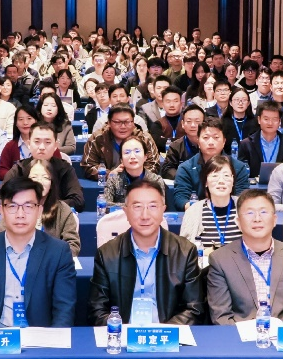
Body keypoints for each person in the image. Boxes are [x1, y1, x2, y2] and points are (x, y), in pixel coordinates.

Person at [0, 178, 77, 328]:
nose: (20, 214)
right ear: (1, 210)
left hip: (39, 338)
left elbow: (64, 309)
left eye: (28, 206)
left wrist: (52, 341)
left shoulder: (58, 252)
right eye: (12, 206)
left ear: (39, 210)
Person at [88, 179, 202, 325]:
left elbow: (194, 308)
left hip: (168, 334)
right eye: (137, 207)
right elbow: (97, 310)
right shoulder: (107, 255)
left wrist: (162, 333)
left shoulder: (185, 252)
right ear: (126, 212)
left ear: (163, 210)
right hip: (124, 334)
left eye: (153, 206)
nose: (145, 215)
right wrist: (125, 332)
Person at [206, 190, 283, 325]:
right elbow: (221, 318)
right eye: (249, 213)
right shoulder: (220, 259)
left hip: (282, 333)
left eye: (264, 212)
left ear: (274, 220)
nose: (257, 219)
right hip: (239, 335)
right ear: (238, 222)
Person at [0, 158, 82, 256]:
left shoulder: (63, 210)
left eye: (45, 177)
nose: (40, 181)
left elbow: (73, 245)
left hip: (52, 263)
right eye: (34, 177)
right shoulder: (14, 207)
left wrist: (51, 259)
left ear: (51, 183)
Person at [172, 116, 251, 211]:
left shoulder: (238, 167)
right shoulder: (185, 168)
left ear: (224, 141)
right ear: (198, 141)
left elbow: (242, 198)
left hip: (231, 214)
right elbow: (180, 199)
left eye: (216, 137)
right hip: (197, 214)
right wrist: (205, 210)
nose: (210, 142)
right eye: (206, 137)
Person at [5, 123, 86, 210]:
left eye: (47, 142)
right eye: (37, 142)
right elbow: (1, 197)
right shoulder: (19, 169)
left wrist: (47, 208)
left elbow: (78, 201)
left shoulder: (65, 169)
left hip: (56, 216)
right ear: (29, 144)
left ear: (55, 146)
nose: (42, 147)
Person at [80, 104, 160, 180]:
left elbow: (154, 165)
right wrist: (109, 174)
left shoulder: (145, 138)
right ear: (109, 122)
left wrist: (134, 175)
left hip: (138, 183)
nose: (123, 126)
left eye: (127, 122)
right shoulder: (98, 138)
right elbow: (88, 165)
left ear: (133, 122)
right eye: (117, 122)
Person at [181, 155, 242, 250]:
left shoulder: (245, 208)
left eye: (226, 176)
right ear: (206, 182)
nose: (221, 181)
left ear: (233, 180)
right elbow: (184, 251)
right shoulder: (193, 212)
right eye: (215, 176)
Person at [102, 136, 166, 209]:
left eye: (137, 151)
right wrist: (135, 206)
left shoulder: (156, 180)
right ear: (121, 160)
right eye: (127, 152)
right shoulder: (113, 180)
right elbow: (106, 205)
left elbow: (160, 206)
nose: (132, 156)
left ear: (145, 157)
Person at [237, 101, 283, 176]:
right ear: (259, 120)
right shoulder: (246, 144)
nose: (270, 123)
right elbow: (241, 173)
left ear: (279, 121)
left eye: (274, 119)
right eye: (266, 119)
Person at [160, 105, 205, 180]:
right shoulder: (175, 146)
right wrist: (183, 177)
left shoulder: (211, 144)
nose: (193, 125)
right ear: (183, 124)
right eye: (189, 121)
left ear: (204, 123)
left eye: (197, 121)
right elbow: (167, 169)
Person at [147, 85, 187, 151]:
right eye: (168, 101)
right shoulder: (158, 124)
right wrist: (182, 140)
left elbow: (191, 139)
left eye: (175, 101)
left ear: (181, 103)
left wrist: (166, 140)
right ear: (162, 104)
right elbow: (157, 143)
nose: (172, 105)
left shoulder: (187, 121)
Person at [221, 87, 259, 154]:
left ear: (248, 103)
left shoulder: (255, 122)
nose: (240, 103)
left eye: (244, 100)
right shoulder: (223, 122)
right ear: (230, 103)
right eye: (237, 100)